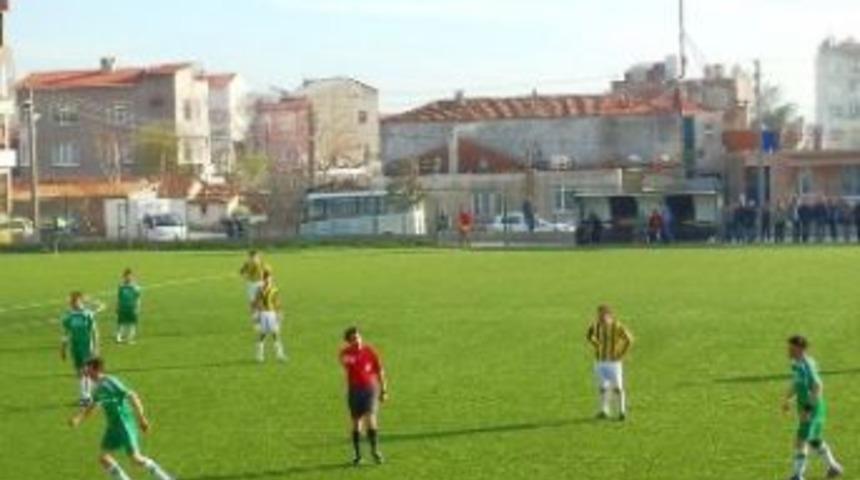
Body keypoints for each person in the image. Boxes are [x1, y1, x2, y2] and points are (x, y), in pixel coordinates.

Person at [69, 357, 175, 480]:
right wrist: (78, 418)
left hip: (125, 423)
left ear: (97, 369)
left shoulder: (111, 381)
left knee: (136, 459)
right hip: (113, 426)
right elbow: (92, 406)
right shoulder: (97, 388)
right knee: (104, 458)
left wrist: (141, 418)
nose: (86, 372)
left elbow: (133, 396)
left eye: (89, 369)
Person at [782, 336, 843, 480]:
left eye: (791, 348)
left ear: (800, 349)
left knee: (800, 440)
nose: (788, 351)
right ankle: (833, 467)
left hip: (812, 409)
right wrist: (787, 399)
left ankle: (798, 475)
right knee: (814, 439)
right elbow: (796, 383)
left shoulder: (806, 365)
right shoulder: (796, 364)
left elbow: (818, 386)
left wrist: (808, 409)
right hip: (808, 408)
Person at [339, 327, 388, 466]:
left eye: (358, 337)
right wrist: (354, 356)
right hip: (354, 391)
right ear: (349, 341)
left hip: (370, 389)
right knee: (356, 423)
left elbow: (380, 371)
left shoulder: (370, 351)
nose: (358, 340)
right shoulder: (345, 354)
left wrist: (384, 390)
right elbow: (347, 363)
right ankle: (357, 455)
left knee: (371, 419)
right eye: (354, 339)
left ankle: (375, 451)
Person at [586, 305, 633, 421]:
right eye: (599, 314)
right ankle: (604, 410)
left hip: (613, 362)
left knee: (618, 387)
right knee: (602, 387)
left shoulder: (617, 326)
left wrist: (622, 353)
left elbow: (629, 339)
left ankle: (622, 412)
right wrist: (596, 345)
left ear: (609, 315)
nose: (600, 317)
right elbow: (589, 335)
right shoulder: (596, 325)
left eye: (602, 314)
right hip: (600, 361)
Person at [61, 291, 102, 405]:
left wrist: (96, 347)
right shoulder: (68, 316)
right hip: (75, 347)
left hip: (87, 347)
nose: (73, 304)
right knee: (79, 371)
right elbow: (66, 333)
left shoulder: (87, 314)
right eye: (71, 302)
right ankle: (85, 395)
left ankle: (88, 396)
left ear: (80, 301)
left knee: (86, 371)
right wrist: (63, 348)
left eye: (75, 301)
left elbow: (94, 331)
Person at [252, 270, 286, 362]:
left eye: (269, 278)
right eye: (266, 278)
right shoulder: (260, 289)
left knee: (275, 334)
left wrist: (279, 313)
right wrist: (255, 314)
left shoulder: (274, 289)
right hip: (263, 314)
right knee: (262, 334)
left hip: (272, 313)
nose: (268, 280)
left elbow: (277, 302)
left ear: (271, 278)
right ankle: (260, 355)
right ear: (263, 279)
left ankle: (279, 354)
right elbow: (256, 302)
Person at [115, 269, 142, 344]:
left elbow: (138, 298)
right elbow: (118, 297)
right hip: (123, 306)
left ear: (132, 277)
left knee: (132, 323)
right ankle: (119, 337)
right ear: (124, 277)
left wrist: (137, 307)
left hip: (132, 307)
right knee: (121, 323)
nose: (128, 278)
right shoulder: (121, 286)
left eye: (129, 276)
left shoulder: (135, 286)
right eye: (126, 276)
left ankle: (130, 338)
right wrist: (117, 306)